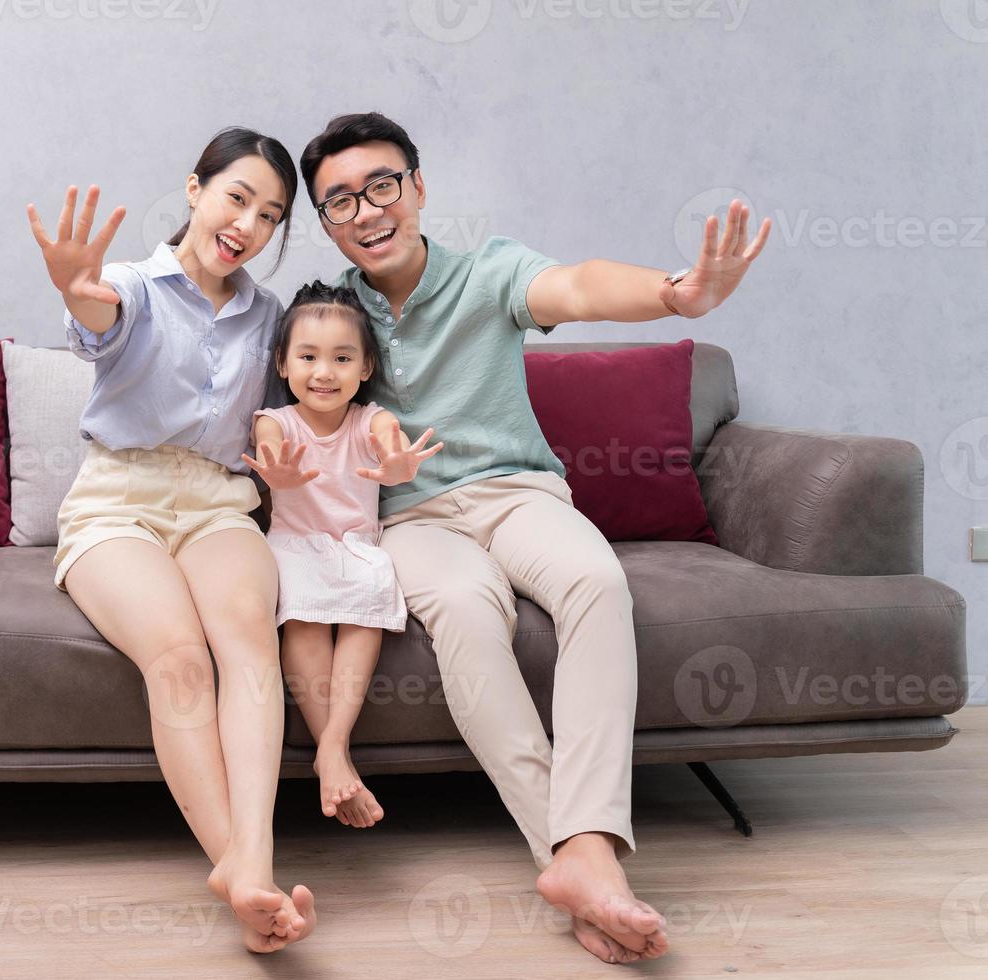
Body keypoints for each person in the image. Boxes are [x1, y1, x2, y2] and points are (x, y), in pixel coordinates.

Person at [299, 111, 771, 966]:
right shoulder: (336, 316)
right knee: (469, 619)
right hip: (411, 518)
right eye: (339, 201)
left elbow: (579, 286)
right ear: (324, 222)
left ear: (417, 188)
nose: (365, 211)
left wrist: (675, 294)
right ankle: (577, 867)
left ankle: (585, 845)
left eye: (381, 186)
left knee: (597, 583)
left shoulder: (489, 272)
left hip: (517, 492)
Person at [26, 126, 316, 954]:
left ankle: (251, 861)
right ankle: (239, 868)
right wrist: (73, 285)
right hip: (119, 497)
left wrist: (283, 461)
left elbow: (272, 422)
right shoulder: (136, 284)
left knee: (248, 642)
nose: (248, 225)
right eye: (236, 198)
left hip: (219, 501)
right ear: (195, 189)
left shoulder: (268, 316)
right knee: (180, 658)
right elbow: (99, 308)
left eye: (270, 215)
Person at [242, 281, 442, 829]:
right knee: (304, 617)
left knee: (367, 603)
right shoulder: (275, 420)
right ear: (283, 364)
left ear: (365, 366)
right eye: (307, 356)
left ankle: (332, 747)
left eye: (341, 357)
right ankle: (337, 758)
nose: (323, 372)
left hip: (356, 546)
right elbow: (268, 449)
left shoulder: (368, 418)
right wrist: (275, 470)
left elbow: (388, 438)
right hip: (294, 544)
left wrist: (397, 461)